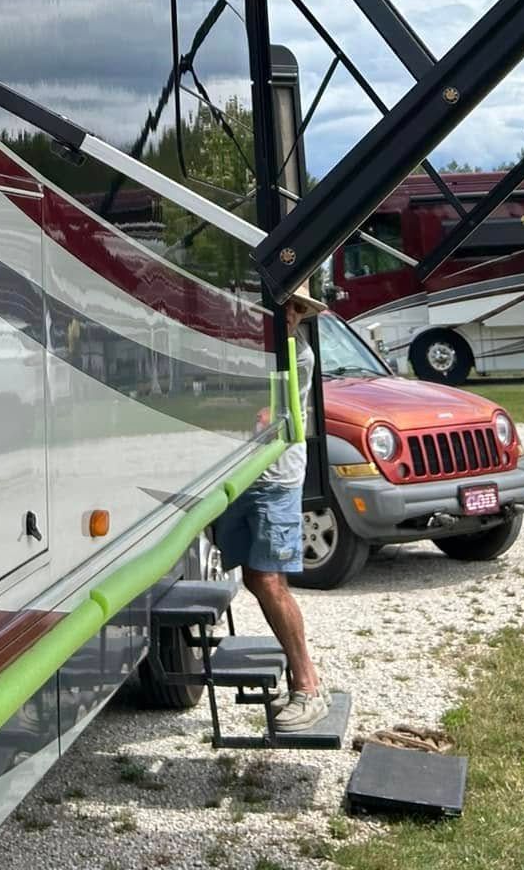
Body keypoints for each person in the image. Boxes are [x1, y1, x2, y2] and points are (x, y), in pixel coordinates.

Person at [212, 292, 327, 733]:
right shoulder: (252, 347)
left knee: (269, 580)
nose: (289, 316)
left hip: (273, 480)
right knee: (253, 578)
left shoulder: (296, 356)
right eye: (284, 307)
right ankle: (303, 681)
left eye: (297, 310)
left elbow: (260, 413)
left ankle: (308, 686)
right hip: (243, 476)